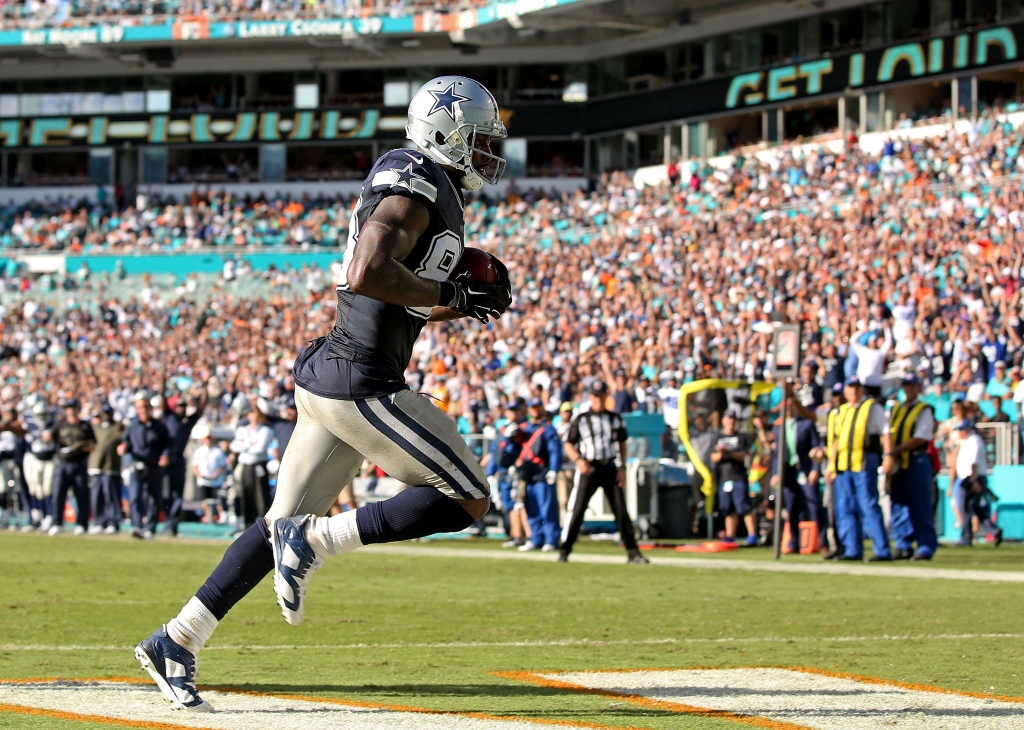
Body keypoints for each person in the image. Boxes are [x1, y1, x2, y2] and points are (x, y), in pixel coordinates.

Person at [136, 75, 513, 713]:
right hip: (360, 380)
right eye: (476, 139)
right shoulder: (414, 178)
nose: (484, 154)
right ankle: (318, 541)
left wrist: (460, 301)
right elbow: (367, 273)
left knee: (276, 521)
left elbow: (395, 293)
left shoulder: (429, 185)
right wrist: (451, 292)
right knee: (468, 497)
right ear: (443, 131)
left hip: (338, 372)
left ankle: (177, 639)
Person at [558, 381, 647, 564]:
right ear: (590, 397)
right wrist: (579, 460)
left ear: (606, 397)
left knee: (620, 509)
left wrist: (622, 467)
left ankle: (633, 552)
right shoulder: (581, 418)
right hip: (589, 468)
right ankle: (565, 550)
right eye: (595, 396)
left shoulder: (614, 418)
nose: (598, 400)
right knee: (577, 509)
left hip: (609, 467)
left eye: (601, 396)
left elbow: (622, 443)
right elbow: (568, 443)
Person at [828, 377, 893, 561]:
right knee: (845, 508)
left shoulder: (872, 408)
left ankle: (881, 549)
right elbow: (835, 441)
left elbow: (885, 432)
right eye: (850, 387)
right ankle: (852, 549)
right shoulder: (840, 411)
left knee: (868, 505)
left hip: (864, 463)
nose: (854, 392)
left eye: (857, 388)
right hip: (843, 466)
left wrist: (888, 456)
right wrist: (830, 466)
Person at [886, 373, 938, 560]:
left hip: (916, 460)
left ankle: (925, 546)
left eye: (911, 385)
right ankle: (903, 544)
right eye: (905, 385)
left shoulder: (924, 409)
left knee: (919, 504)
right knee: (898, 503)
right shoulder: (897, 409)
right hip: (899, 461)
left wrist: (897, 449)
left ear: (918, 388)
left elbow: (922, 437)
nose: (908, 389)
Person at [119, 392, 171, 540]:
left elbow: (167, 444)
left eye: (145, 406)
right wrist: (123, 447)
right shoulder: (133, 425)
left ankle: (150, 528)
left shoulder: (159, 426)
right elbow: (126, 442)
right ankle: (137, 525)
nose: (143, 409)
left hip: (154, 465)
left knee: (154, 498)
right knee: (135, 496)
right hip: (137, 464)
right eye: (140, 407)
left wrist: (165, 456)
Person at [515, 398, 563, 552]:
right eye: (532, 407)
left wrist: (554, 469)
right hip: (528, 474)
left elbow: (554, 450)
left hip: (542, 473)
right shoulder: (523, 428)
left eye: (537, 407)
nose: (534, 410)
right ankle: (535, 538)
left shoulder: (547, 429)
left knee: (547, 507)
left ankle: (551, 539)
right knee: (531, 508)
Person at [161, 388, 208, 536]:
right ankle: (167, 521)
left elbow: (201, 407)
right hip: (166, 459)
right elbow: (162, 399)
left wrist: (204, 388)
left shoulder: (188, 422)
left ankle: (172, 525)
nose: (182, 409)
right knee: (165, 493)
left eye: (184, 406)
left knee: (177, 494)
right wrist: (162, 380)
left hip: (179, 460)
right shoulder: (169, 417)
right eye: (179, 406)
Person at [50, 398, 96, 536]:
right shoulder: (60, 424)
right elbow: (49, 438)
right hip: (63, 463)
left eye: (71, 407)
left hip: (79, 463)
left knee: (81, 494)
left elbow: (93, 444)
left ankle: (82, 524)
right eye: (67, 408)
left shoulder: (85, 426)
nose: (69, 411)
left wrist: (80, 448)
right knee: (58, 494)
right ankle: (56, 523)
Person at [953, 419, 1001, 546]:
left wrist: (974, 481)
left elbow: (974, 462)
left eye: (962, 430)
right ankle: (993, 530)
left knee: (966, 508)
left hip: (972, 478)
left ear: (968, 429)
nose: (960, 432)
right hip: (973, 477)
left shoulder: (974, 440)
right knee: (974, 507)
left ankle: (966, 538)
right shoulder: (969, 440)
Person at [711, 410, 755, 546]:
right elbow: (713, 457)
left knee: (744, 507)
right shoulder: (718, 437)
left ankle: (752, 535)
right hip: (724, 478)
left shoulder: (741, 437)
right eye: (728, 419)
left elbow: (743, 455)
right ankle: (730, 535)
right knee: (728, 509)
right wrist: (720, 453)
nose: (731, 422)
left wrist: (728, 452)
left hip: (738, 476)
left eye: (733, 419)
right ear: (723, 421)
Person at [229, 404, 275, 530]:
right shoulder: (243, 430)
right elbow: (234, 446)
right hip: (246, 466)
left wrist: (245, 444)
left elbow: (260, 449)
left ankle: (265, 525)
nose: (252, 416)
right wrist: (250, 444)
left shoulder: (265, 430)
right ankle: (248, 524)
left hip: (259, 465)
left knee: (261, 495)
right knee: (246, 494)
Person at [88, 404, 123, 535]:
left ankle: (113, 522)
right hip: (96, 466)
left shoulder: (117, 427)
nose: (106, 416)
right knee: (97, 496)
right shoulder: (95, 427)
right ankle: (99, 522)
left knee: (111, 496)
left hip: (110, 466)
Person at [23, 400, 56, 532]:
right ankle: (39, 515)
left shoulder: (53, 423)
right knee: (36, 487)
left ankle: (48, 516)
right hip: (36, 458)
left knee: (48, 488)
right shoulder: (30, 423)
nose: (42, 417)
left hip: (49, 458)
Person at [192, 424, 227, 525]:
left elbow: (222, 465)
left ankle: (220, 516)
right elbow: (195, 465)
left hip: (216, 480)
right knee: (205, 500)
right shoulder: (199, 451)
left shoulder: (218, 451)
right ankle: (207, 516)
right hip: (204, 480)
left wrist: (215, 475)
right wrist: (199, 475)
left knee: (217, 499)